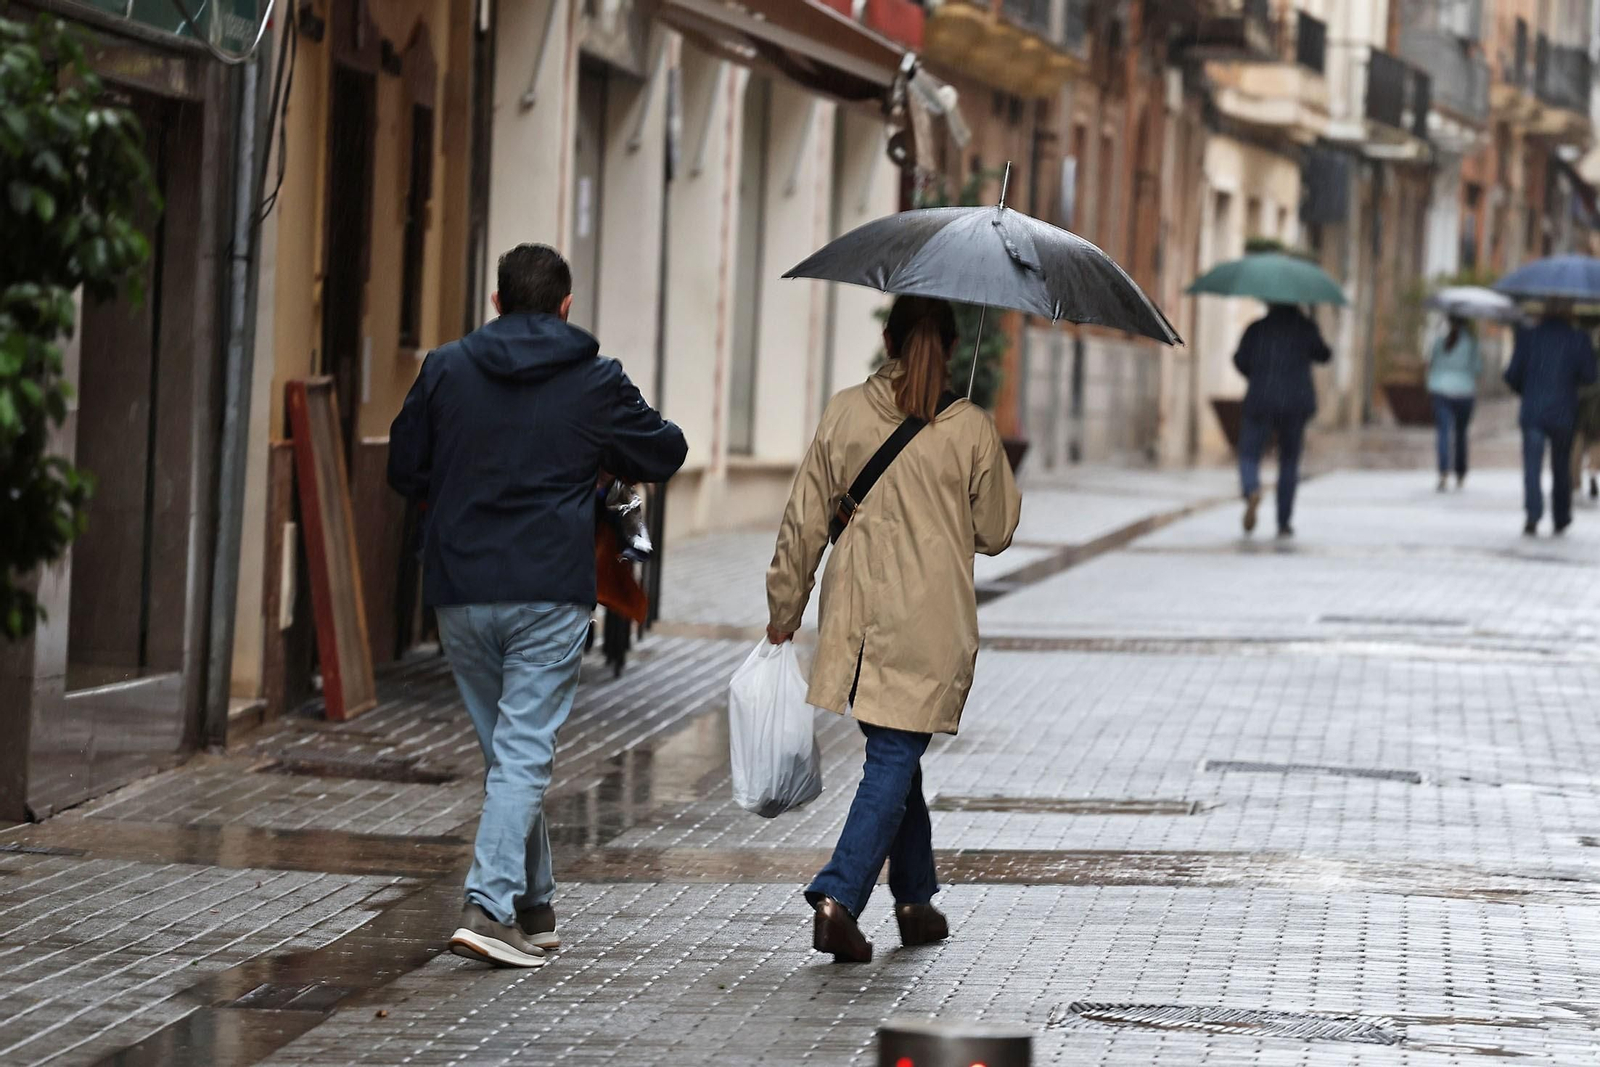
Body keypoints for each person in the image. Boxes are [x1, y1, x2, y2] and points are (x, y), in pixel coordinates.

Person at [388, 244, 686, 967]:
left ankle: (537, 905)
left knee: (508, 752)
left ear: (495, 303)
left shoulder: (445, 369)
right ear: (565, 307)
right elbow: (665, 451)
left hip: (460, 590)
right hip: (549, 590)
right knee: (520, 755)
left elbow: (403, 468)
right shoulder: (595, 380)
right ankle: (488, 906)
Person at [765, 295, 1021, 964]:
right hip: (929, 624)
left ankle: (914, 898)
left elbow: (803, 519)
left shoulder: (846, 410)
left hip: (858, 619)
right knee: (894, 753)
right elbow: (996, 530)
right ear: (957, 345)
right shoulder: (968, 427)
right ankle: (838, 896)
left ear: (888, 337)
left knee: (894, 751)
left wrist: (785, 606)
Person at [1232, 302, 1332, 537]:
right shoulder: (1306, 328)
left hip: (1261, 399)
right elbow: (1324, 354)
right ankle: (1283, 522)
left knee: (1249, 452)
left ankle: (1251, 489)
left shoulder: (1257, 328)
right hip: (1295, 403)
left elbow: (1240, 360)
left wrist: (1257, 374)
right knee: (1288, 461)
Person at [1504, 299, 1598, 536]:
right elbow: (1591, 375)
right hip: (1563, 411)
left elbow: (1512, 374)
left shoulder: (1528, 337)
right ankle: (1561, 515)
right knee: (1561, 465)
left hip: (1533, 409)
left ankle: (1533, 514)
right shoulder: (1578, 339)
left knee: (1532, 465)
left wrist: (1526, 390)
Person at [1427, 315, 1482, 491]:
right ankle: (1460, 472)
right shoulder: (1471, 344)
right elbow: (1477, 369)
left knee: (1443, 432)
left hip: (1441, 391)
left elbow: (1432, 364)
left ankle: (1443, 471)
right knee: (1460, 434)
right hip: (1464, 393)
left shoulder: (1439, 342)